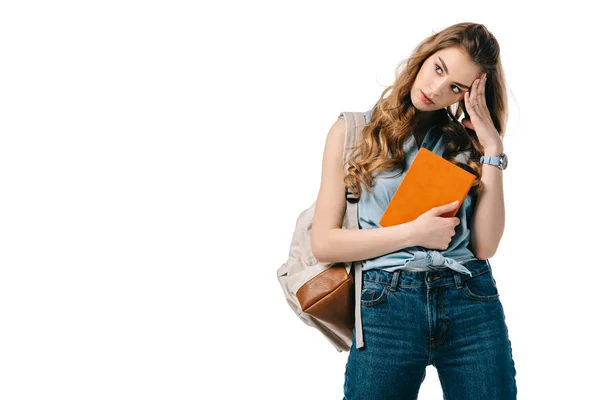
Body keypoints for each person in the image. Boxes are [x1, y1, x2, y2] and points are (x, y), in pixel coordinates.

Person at [310, 22, 517, 399]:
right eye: (438, 68)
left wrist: (492, 148)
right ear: (424, 55)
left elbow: (485, 247)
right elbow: (324, 242)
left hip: (469, 298)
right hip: (386, 302)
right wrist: (413, 233)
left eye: (455, 87)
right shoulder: (353, 131)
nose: (437, 90)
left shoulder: (466, 142)